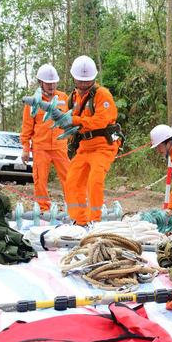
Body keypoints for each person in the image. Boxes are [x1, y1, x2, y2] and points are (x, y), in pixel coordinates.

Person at [62, 55, 121, 229]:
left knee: (94, 181)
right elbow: (68, 120)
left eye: (87, 81)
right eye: (80, 80)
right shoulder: (72, 97)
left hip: (103, 146)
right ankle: (80, 221)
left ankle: (94, 220)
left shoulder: (102, 95)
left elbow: (99, 122)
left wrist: (74, 121)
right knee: (72, 182)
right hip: (84, 147)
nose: (83, 84)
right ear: (74, 78)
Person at [20, 64, 70, 211]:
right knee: (39, 181)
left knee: (69, 179)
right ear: (40, 82)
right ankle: (43, 210)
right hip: (40, 148)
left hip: (61, 147)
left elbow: (71, 121)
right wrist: (25, 148)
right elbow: (27, 127)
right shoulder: (32, 102)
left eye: (54, 82)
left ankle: (73, 209)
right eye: (48, 82)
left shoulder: (64, 98)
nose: (52, 85)